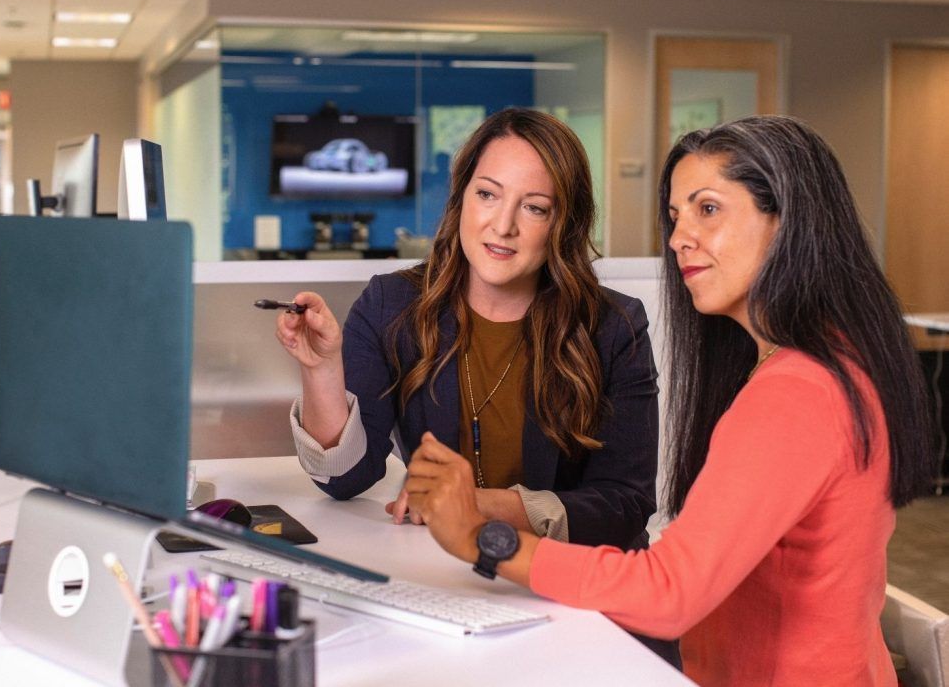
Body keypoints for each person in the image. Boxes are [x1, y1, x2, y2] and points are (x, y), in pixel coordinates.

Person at [403, 115, 935, 686]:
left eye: (708, 209)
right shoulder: (835, 359)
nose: (680, 237)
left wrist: (483, 540)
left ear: (787, 222)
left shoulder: (797, 393)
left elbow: (669, 593)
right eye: (677, 216)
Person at [276, 108, 678, 664]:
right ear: (462, 197)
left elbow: (626, 504)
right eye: (488, 195)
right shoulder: (392, 305)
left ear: (564, 223)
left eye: (534, 208)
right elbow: (346, 479)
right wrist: (321, 368)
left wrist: (480, 509)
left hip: (578, 599)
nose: (503, 225)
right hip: (452, 591)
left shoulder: (613, 324)